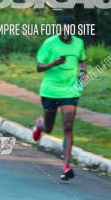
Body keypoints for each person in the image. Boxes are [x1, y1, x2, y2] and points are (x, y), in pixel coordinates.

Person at [31, 14, 87, 180]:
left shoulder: (79, 43)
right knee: (49, 127)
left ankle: (66, 166)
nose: (66, 32)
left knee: (68, 126)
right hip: (50, 91)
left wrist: (83, 72)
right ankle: (40, 125)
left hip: (70, 91)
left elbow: (82, 60)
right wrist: (53, 63)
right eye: (63, 29)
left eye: (69, 29)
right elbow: (39, 67)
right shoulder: (49, 43)